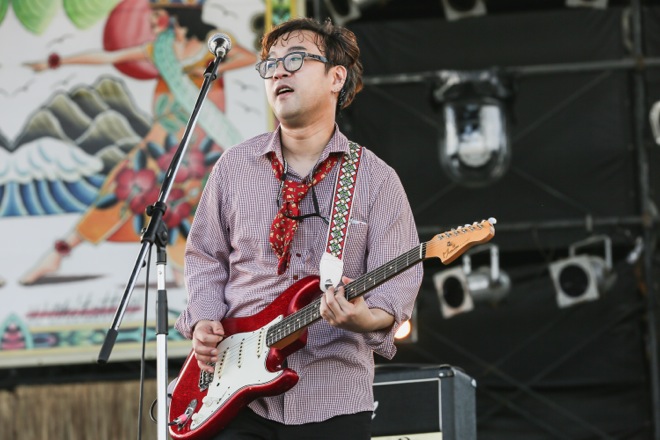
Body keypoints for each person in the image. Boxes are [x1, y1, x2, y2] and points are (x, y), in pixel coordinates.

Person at [175, 17, 422, 439]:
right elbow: (205, 257)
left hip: (333, 396)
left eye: (294, 59)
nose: (278, 72)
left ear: (336, 78)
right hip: (232, 395)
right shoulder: (234, 167)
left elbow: (397, 287)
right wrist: (203, 322)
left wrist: (363, 318)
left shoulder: (376, 180)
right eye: (270, 64)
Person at [19, 1, 256, 286]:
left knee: (183, 207)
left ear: (175, 15)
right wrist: (58, 62)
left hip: (199, 145)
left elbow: (248, 57)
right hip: (161, 141)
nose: (152, 21)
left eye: (157, 15)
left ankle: (181, 272)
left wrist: (206, 67)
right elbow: (109, 57)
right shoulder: (161, 49)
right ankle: (59, 253)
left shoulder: (211, 44)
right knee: (121, 190)